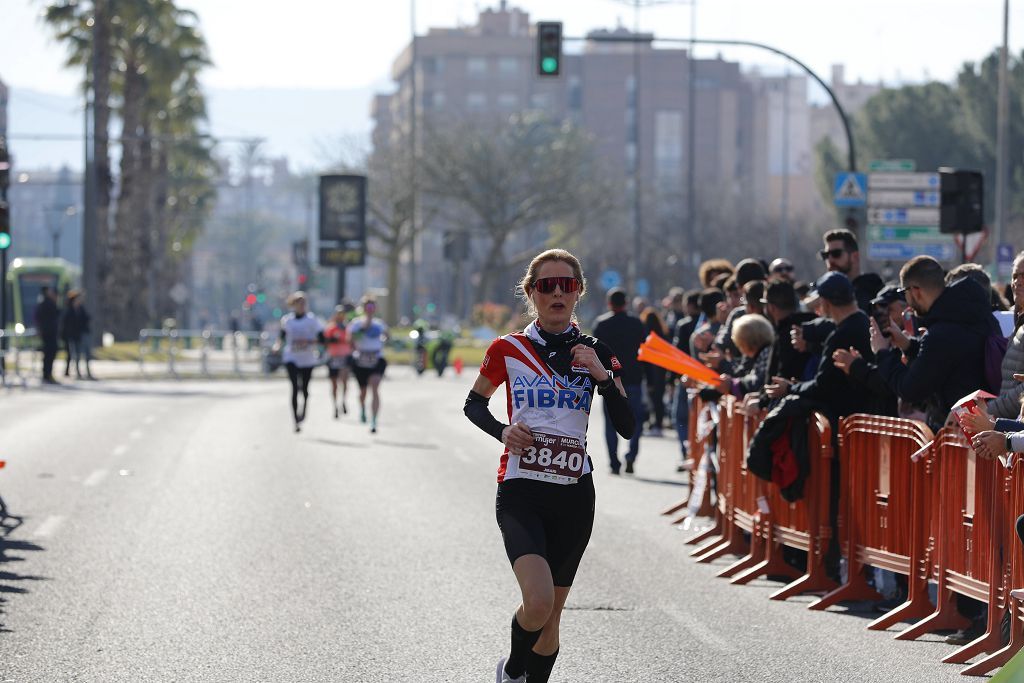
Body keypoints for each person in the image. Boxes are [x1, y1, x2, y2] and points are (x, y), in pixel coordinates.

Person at [462, 249, 634, 683]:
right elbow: (473, 405)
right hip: (521, 490)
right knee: (536, 603)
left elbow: (629, 426)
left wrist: (602, 376)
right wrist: (503, 432)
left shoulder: (597, 350)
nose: (557, 292)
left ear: (578, 292)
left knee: (552, 620)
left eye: (567, 285)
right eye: (546, 285)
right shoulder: (508, 348)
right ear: (531, 293)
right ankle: (513, 671)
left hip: (574, 496)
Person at [592, 287, 647, 474]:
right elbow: (644, 352)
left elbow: (594, 354)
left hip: (608, 379)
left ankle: (614, 463)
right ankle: (631, 455)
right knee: (637, 420)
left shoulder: (601, 324)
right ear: (626, 303)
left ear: (609, 304)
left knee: (610, 422)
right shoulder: (637, 323)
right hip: (633, 378)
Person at [276, 291, 324, 433]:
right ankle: (295, 420)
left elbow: (322, 339)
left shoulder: (312, 320)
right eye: (299, 303)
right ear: (293, 305)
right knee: (294, 387)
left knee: (305, 388)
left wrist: (308, 341)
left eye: (304, 303)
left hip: (307, 358)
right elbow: (282, 337)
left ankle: (304, 408)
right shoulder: (287, 320)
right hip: (292, 357)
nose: (301, 306)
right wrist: (277, 346)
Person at [348, 296, 388, 433]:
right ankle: (363, 408)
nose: (370, 310)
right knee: (363, 391)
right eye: (367, 307)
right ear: (363, 308)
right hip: (360, 359)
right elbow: (351, 341)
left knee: (375, 387)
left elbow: (387, 337)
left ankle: (374, 420)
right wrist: (364, 328)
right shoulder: (356, 324)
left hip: (376, 358)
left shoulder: (380, 324)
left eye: (372, 307)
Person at [820, 229, 884, 314]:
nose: (830, 260)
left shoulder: (874, 290)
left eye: (836, 254)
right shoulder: (822, 294)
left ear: (855, 256)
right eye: (826, 255)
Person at [639, 306, 669, 436]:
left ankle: (651, 422)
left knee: (650, 398)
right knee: (659, 399)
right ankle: (658, 424)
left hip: (650, 370)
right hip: (661, 370)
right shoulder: (663, 333)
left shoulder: (645, 334)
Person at [323, 305, 353, 419]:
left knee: (345, 381)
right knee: (334, 384)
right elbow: (325, 342)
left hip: (345, 357)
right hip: (333, 357)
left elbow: (351, 340)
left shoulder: (348, 327)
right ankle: (335, 405)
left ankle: (343, 401)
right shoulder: (331, 328)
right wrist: (334, 340)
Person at [34, 287, 60, 385]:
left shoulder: (51, 303)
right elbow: (38, 317)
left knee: (51, 352)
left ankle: (48, 374)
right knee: (49, 353)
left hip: (51, 332)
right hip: (47, 332)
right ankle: (46, 374)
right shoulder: (45, 304)